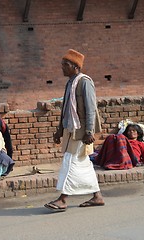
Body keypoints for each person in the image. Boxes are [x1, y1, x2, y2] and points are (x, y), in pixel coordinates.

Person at [44, 49, 105, 212]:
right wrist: (59, 130)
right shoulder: (70, 82)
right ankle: (97, 196)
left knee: (70, 162)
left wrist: (90, 131)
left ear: (75, 66)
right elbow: (66, 109)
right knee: (82, 163)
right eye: (62, 64)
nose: (62, 68)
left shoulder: (85, 82)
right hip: (70, 129)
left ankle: (63, 199)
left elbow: (91, 108)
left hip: (82, 131)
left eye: (66, 65)